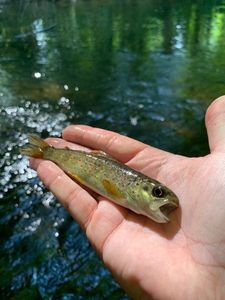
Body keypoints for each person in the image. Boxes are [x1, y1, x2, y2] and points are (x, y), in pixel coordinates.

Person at [30, 96, 225, 299]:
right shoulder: (125, 192)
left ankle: (46, 152)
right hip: (74, 161)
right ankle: (47, 152)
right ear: (138, 187)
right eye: (157, 193)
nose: (162, 198)